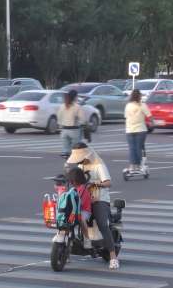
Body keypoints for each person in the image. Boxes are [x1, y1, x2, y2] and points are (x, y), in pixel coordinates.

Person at [65, 142, 120, 270]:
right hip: (83, 199)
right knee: (69, 220)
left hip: (99, 199)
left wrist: (95, 185)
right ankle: (66, 251)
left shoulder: (98, 164)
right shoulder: (80, 165)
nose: (79, 160)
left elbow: (108, 183)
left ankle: (113, 257)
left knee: (102, 224)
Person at [124, 89, 151, 172]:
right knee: (139, 147)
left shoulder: (128, 105)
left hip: (129, 130)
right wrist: (153, 123)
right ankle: (139, 165)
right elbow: (149, 116)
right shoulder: (142, 105)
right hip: (141, 129)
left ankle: (132, 166)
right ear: (139, 96)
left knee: (132, 148)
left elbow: (125, 116)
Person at [66, 167, 94, 248]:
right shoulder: (73, 189)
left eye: (73, 180)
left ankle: (87, 238)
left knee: (81, 219)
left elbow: (80, 203)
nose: (72, 182)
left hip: (84, 211)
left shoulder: (83, 189)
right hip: (74, 210)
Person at [57, 89, 85, 157]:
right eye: (77, 96)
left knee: (66, 150)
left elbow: (59, 117)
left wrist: (60, 125)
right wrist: (83, 124)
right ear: (75, 97)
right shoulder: (77, 107)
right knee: (76, 148)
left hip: (64, 130)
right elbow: (83, 119)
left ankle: (67, 160)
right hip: (74, 130)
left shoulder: (62, 106)